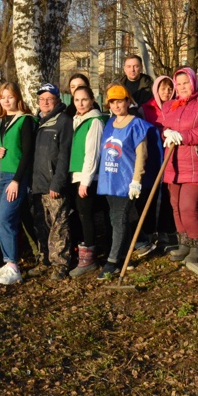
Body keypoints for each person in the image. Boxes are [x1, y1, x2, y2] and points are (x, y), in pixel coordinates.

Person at [96, 85, 159, 278]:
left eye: (120, 101)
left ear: (127, 101)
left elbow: (142, 155)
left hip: (125, 181)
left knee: (119, 220)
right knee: (116, 220)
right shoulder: (109, 123)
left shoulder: (136, 124)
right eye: (112, 102)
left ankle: (113, 261)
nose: (116, 105)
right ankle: (124, 257)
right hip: (108, 180)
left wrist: (136, 180)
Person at [161, 67, 198, 264]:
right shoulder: (171, 105)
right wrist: (166, 132)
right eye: (179, 84)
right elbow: (164, 126)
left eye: (186, 83)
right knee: (175, 205)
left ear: (193, 82)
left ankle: (197, 244)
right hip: (173, 162)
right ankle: (183, 242)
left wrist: (183, 136)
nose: (182, 87)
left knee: (188, 206)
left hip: (197, 163)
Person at [0, 82, 36, 285]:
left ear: (18, 97)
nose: (6, 101)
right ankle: (7, 261)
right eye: (3, 97)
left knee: (5, 220)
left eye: (10, 96)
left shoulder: (25, 120)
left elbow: (27, 153)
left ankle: (13, 266)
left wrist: (17, 180)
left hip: (13, 177)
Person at [29, 83, 73, 280]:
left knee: (59, 226)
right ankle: (44, 260)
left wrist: (58, 183)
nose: (45, 102)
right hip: (37, 183)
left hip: (53, 185)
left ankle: (60, 264)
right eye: (42, 99)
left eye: (49, 99)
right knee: (41, 225)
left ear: (57, 100)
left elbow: (64, 156)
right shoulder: (37, 121)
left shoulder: (63, 121)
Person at [67, 85, 105, 278]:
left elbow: (93, 153)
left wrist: (86, 180)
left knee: (86, 216)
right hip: (76, 175)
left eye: (84, 99)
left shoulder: (95, 121)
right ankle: (82, 252)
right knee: (80, 215)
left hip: (86, 177)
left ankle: (90, 257)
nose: (80, 103)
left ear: (92, 100)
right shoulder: (77, 120)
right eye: (76, 100)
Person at [137, 75, 177, 249]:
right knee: (150, 194)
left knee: (169, 194)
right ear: (156, 90)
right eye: (163, 89)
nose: (166, 92)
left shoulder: (177, 106)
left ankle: (165, 230)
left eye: (170, 89)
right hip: (152, 156)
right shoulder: (146, 109)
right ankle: (148, 230)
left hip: (172, 155)